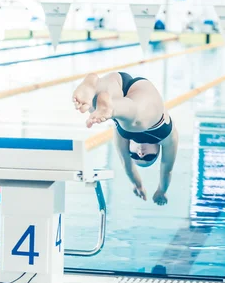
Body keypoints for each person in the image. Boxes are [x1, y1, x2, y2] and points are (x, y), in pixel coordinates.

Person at [72, 72, 178, 205]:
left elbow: (126, 164)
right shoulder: (167, 137)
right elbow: (167, 169)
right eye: (148, 157)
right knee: (137, 122)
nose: (140, 154)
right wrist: (162, 191)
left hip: (120, 84)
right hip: (144, 96)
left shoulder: (122, 136)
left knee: (93, 106)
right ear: (158, 149)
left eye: (135, 155)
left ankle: (94, 85)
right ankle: (110, 108)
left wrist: (137, 185)